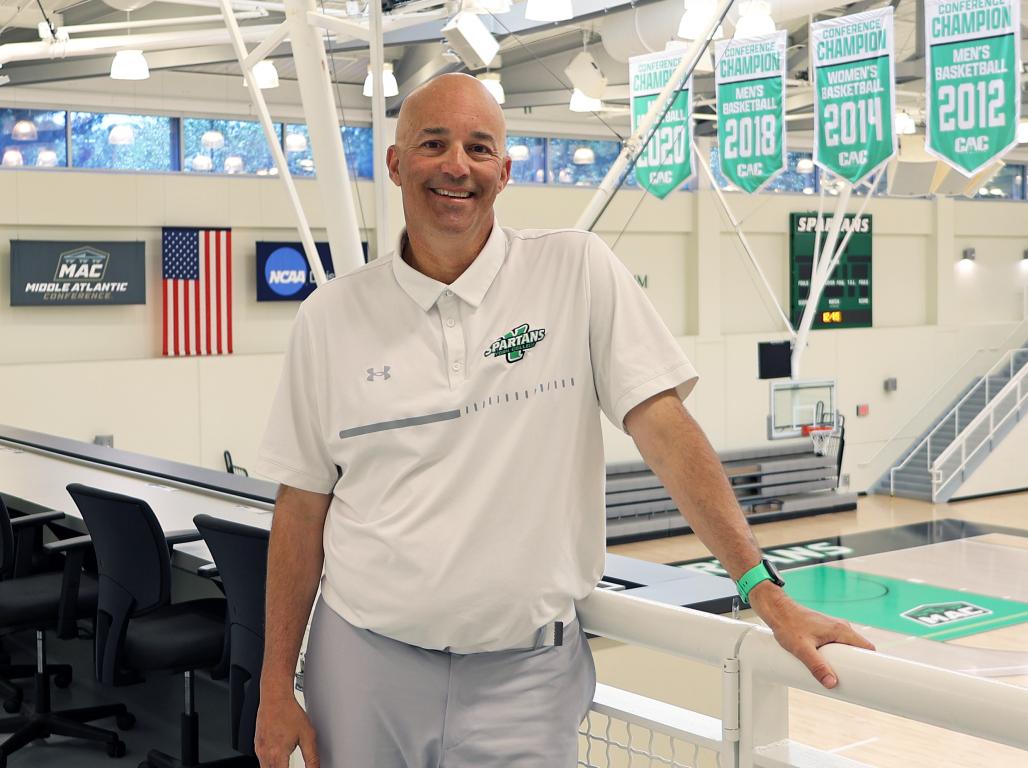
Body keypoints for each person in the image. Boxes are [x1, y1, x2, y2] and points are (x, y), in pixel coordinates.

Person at [253, 73, 874, 768]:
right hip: (362, 666)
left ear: (504, 173)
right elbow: (301, 507)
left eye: (479, 148)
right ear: (396, 164)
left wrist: (763, 591)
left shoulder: (575, 269)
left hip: (526, 681)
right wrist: (275, 685)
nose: (457, 165)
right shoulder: (330, 317)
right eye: (434, 144)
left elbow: (666, 433)